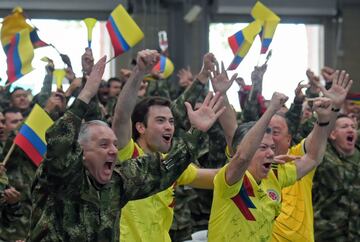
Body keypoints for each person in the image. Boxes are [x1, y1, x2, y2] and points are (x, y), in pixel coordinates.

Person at [27, 50, 222, 242]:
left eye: (113, 143)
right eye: (103, 145)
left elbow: (169, 166)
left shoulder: (118, 183)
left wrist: (196, 130)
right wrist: (88, 92)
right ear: (81, 151)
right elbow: (63, 141)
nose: (113, 150)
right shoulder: (60, 177)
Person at [207, 61, 346, 242]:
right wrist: (224, 94)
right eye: (263, 147)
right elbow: (240, 153)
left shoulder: (276, 175)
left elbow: (313, 157)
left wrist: (323, 120)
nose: (271, 152)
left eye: (272, 147)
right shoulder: (231, 180)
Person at [112, 51, 225, 242]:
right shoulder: (126, 154)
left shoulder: (170, 164)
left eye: (172, 121)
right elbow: (121, 116)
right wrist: (139, 72)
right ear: (140, 127)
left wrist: (252, 161)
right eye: (160, 120)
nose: (169, 127)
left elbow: (216, 177)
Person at [271, 70, 352, 242]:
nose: (269, 137)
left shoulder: (298, 159)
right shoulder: (252, 165)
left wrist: (333, 109)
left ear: (289, 138)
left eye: (275, 132)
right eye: (265, 131)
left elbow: (320, 134)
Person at [313, 114, 360, 241]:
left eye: (353, 127)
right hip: (327, 234)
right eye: (344, 127)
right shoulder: (321, 157)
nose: (350, 129)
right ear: (332, 134)